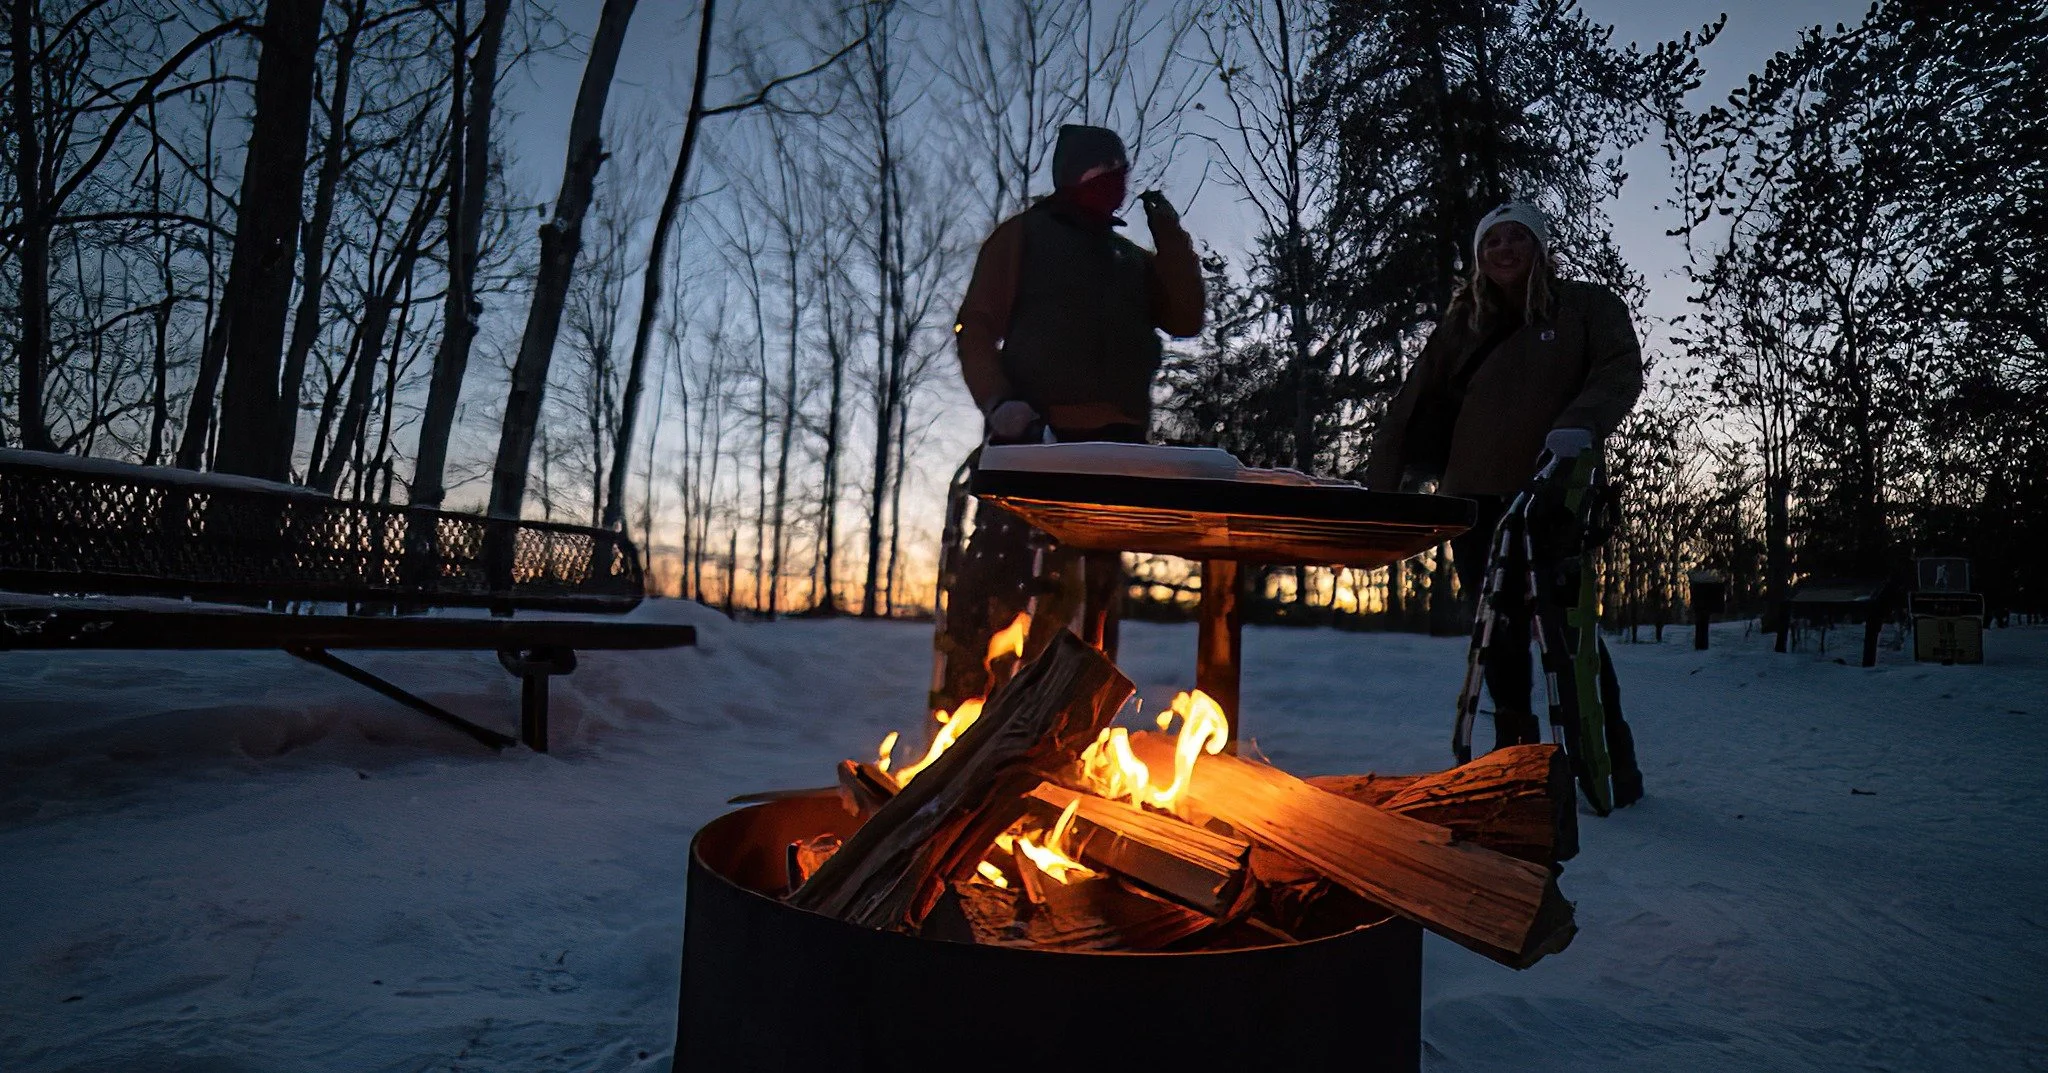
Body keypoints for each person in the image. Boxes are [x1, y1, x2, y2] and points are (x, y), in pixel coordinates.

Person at [1365, 201, 1644, 803]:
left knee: (1567, 630)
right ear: (1479, 254)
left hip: (1551, 490)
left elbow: (1621, 368)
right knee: (1498, 632)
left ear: (1540, 247)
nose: (1506, 248)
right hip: (1472, 497)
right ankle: (1517, 768)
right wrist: (1379, 494)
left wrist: (1581, 424)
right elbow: (1411, 405)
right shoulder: (1462, 324)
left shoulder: (1585, 307)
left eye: (1519, 237)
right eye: (1494, 240)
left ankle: (1609, 761)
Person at [933, 124, 1205, 711]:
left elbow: (1186, 318)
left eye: (1120, 173)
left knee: (1095, 590)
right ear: (1073, 176)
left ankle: (1070, 718)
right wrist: (999, 401)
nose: (1116, 183)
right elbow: (976, 325)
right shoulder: (1024, 237)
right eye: (1103, 172)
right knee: (1000, 575)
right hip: (1033, 437)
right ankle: (967, 707)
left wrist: (1171, 239)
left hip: (1117, 446)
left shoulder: (1130, 259)